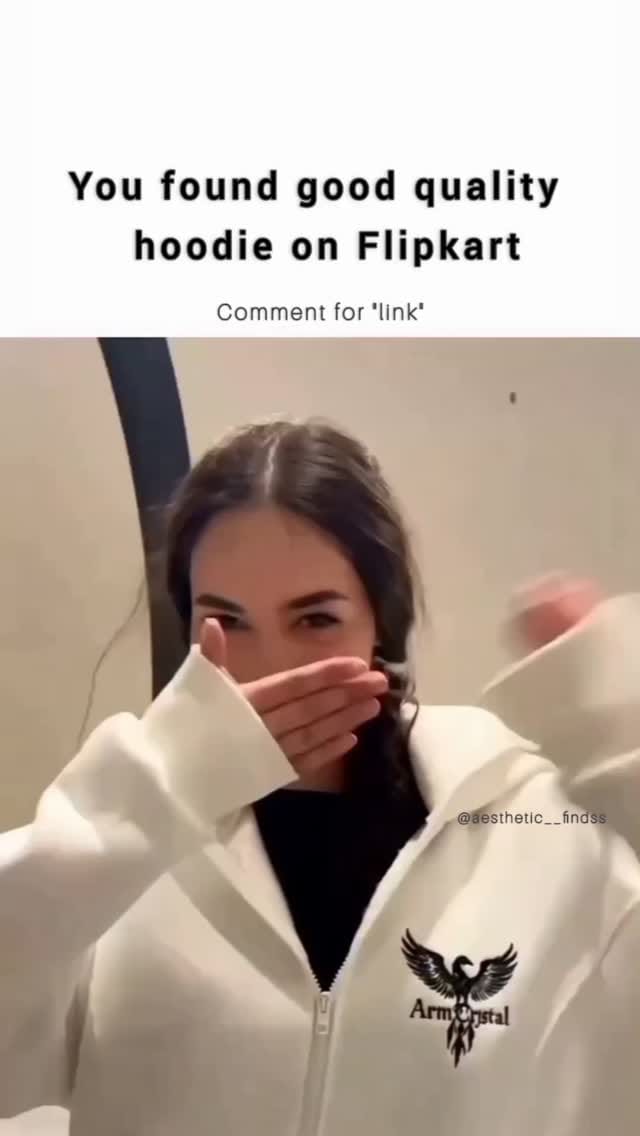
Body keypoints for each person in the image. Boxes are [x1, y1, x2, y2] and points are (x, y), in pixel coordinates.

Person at [0, 417, 638, 1136]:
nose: (273, 667)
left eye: (315, 620)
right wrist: (143, 804)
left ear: (381, 625)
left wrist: (622, 748)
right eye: (227, 622)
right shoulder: (125, 844)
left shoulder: (529, 830)